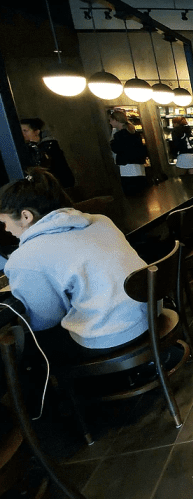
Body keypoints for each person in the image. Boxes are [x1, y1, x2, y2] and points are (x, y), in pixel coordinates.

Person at [0, 169, 148, 360]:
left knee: (30, 349)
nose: (6, 229)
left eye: (4, 222)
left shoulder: (25, 258)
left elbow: (45, 320)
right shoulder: (101, 221)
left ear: (26, 216)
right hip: (149, 316)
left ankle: (79, 387)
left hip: (112, 335)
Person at [19, 118, 75, 190]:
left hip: (58, 186)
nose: (22, 134)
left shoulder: (49, 146)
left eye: (25, 131)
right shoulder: (27, 148)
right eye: (21, 131)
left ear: (36, 131)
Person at [109, 109, 148, 196]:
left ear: (116, 120)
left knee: (131, 195)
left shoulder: (119, 135)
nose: (110, 122)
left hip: (127, 168)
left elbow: (115, 148)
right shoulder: (134, 133)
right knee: (142, 195)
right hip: (139, 168)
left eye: (111, 120)